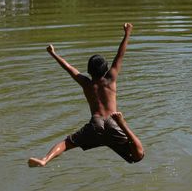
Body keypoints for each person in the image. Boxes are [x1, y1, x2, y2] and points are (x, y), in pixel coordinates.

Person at [28, 23, 144, 167]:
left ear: (89, 71)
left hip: (95, 124)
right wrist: (127, 34)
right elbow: (120, 55)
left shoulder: (86, 83)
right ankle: (123, 124)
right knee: (137, 156)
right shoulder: (111, 78)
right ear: (106, 69)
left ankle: (44, 160)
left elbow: (69, 68)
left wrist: (53, 54)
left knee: (66, 144)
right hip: (113, 122)